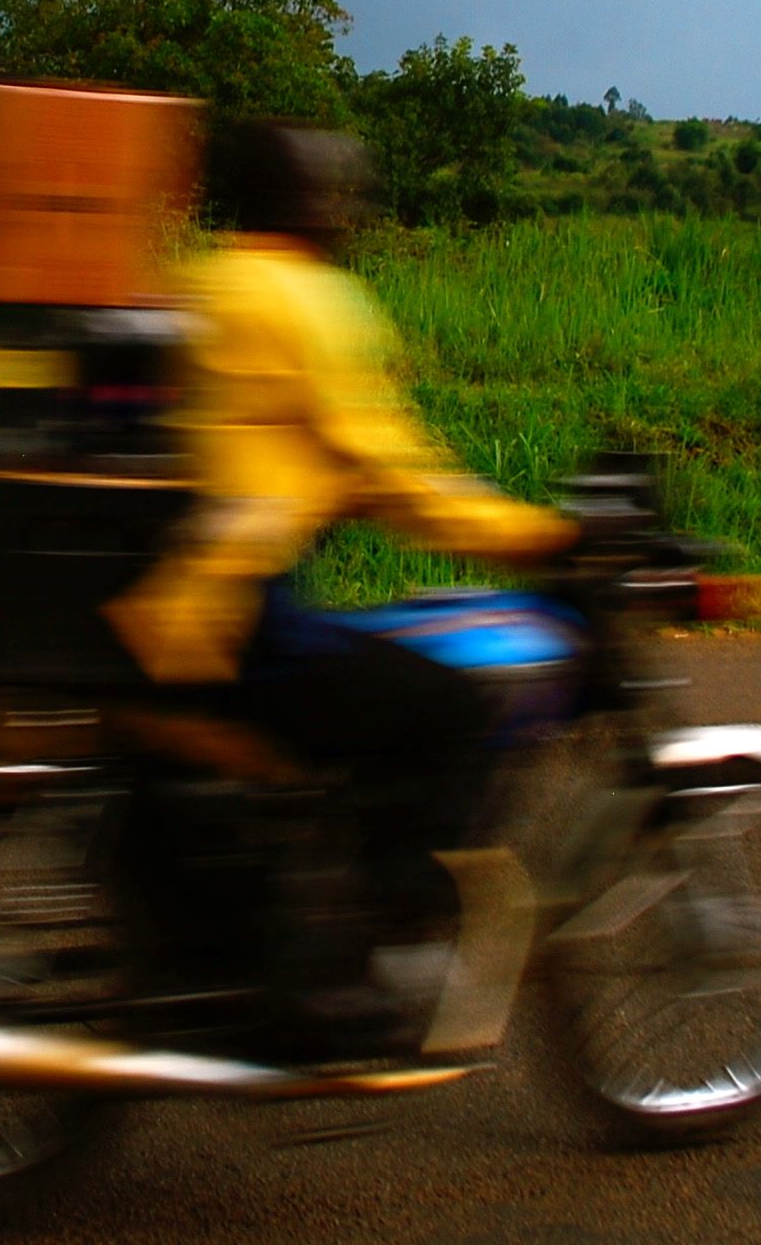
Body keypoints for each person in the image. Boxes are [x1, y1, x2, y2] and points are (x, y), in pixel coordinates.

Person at [100, 120, 579, 1057]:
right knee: (448, 712)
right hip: (229, 617)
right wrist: (538, 535)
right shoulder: (307, 300)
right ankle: (354, 972)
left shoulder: (204, 278)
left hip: (160, 604)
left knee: (356, 689)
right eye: (339, 191)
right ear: (317, 202)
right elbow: (384, 469)